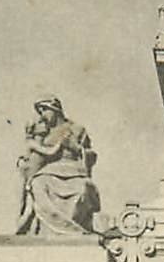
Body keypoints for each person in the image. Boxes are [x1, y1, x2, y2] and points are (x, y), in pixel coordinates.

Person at [15, 96, 101, 235]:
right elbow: (36, 156)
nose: (43, 116)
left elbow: (91, 155)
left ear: (55, 109)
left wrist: (76, 148)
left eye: (45, 111)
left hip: (73, 171)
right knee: (38, 184)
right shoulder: (43, 133)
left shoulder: (77, 129)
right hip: (49, 171)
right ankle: (50, 230)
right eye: (40, 112)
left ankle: (73, 230)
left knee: (83, 189)